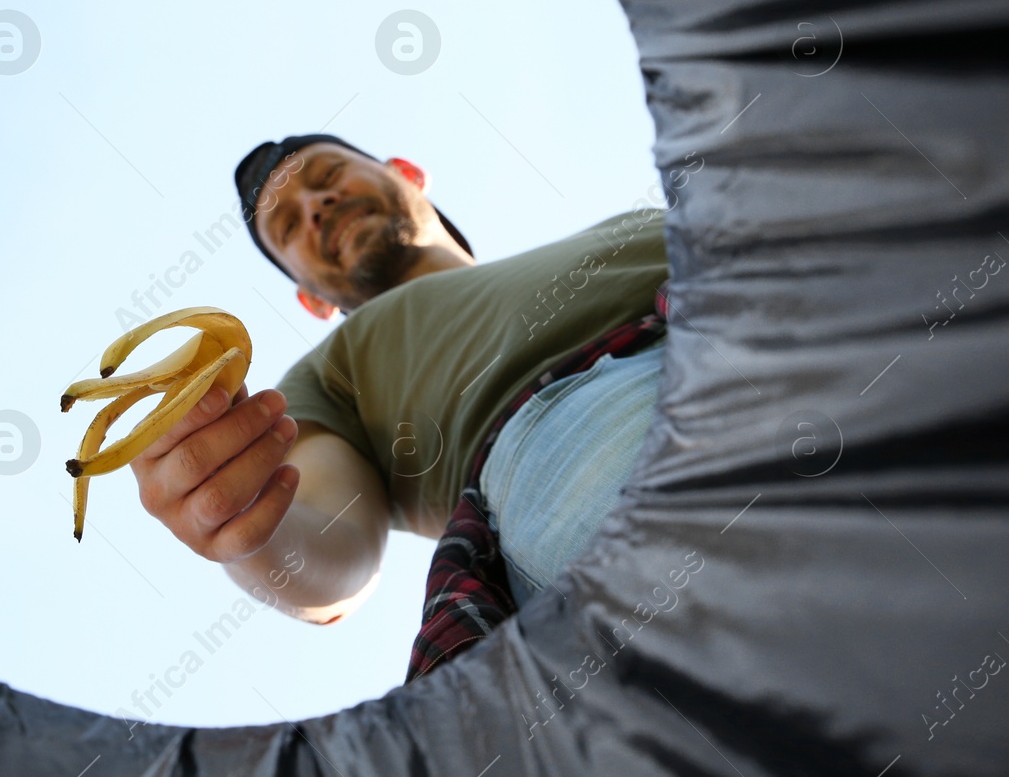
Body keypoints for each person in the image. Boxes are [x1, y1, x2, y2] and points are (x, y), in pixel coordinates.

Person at [127, 133, 670, 653]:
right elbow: (333, 545)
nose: (316, 206)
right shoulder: (331, 373)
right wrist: (244, 526)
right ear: (310, 300)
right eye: (290, 225)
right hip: (581, 450)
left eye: (328, 174)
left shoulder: (634, 226)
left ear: (406, 173)